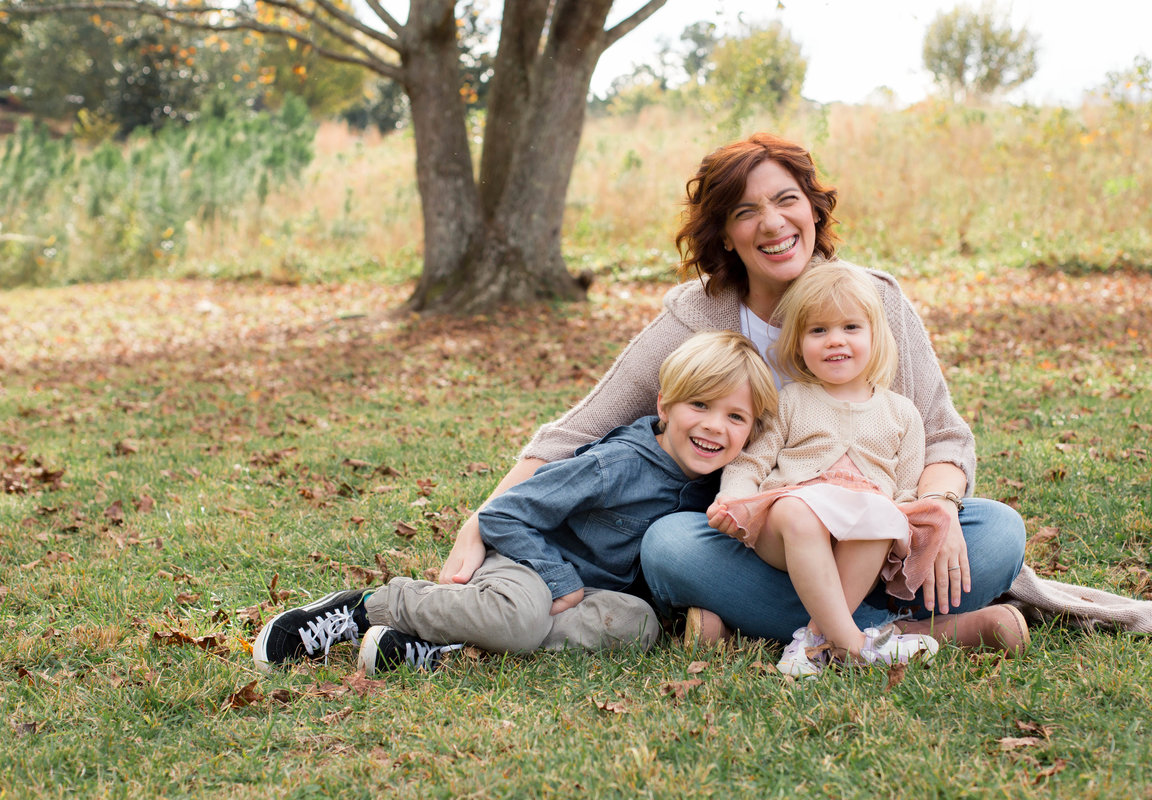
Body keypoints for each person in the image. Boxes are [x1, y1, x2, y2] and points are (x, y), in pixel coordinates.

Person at [437, 132, 1029, 656]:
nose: (772, 224)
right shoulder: (699, 315)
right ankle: (912, 634)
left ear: (814, 211)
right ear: (724, 232)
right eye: (746, 211)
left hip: (879, 532)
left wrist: (941, 512)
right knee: (668, 544)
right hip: (759, 538)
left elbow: (944, 435)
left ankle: (780, 630)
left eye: (786, 200)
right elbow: (579, 428)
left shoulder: (874, 300)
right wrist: (482, 521)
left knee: (999, 533)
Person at [252, 331, 778, 674]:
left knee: (636, 625)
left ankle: (438, 648)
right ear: (664, 403)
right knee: (522, 619)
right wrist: (559, 579)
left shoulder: (717, 485)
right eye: (700, 405)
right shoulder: (616, 464)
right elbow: (503, 513)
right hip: (524, 562)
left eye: (736, 417)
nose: (714, 426)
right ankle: (363, 610)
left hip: (587, 594)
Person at [707, 262, 942, 676]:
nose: (835, 341)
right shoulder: (791, 400)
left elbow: (906, 491)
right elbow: (752, 461)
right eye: (818, 331)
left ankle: (811, 645)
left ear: (876, 336)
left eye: (850, 328)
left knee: (881, 514)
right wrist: (733, 496)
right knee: (799, 509)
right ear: (798, 344)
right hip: (790, 531)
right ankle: (855, 642)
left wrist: (911, 534)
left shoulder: (901, 413)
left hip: (859, 548)